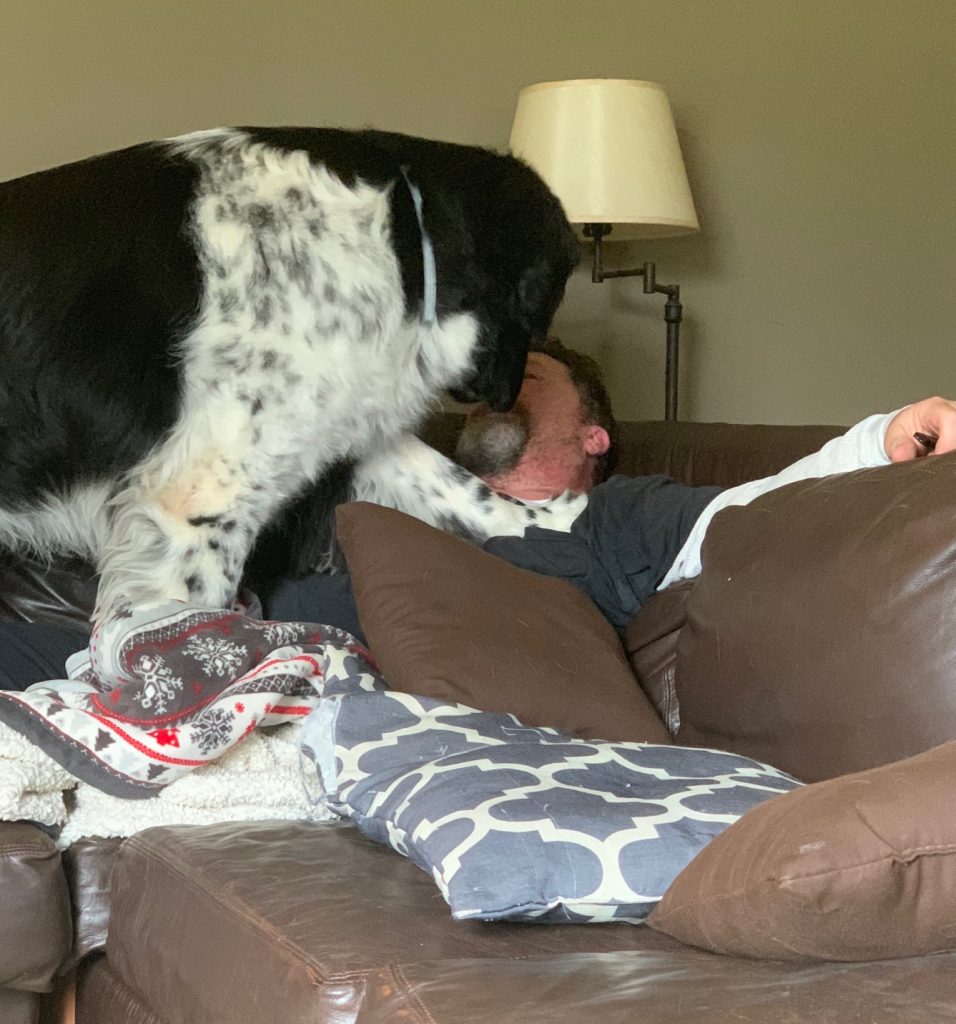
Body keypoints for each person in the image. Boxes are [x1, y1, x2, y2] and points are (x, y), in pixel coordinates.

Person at [2, 338, 955, 684]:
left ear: (594, 435)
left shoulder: (620, 520)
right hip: (174, 633)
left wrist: (882, 437)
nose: (492, 387)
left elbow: (753, 514)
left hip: (297, 680)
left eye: (526, 375)